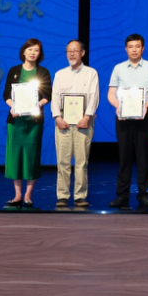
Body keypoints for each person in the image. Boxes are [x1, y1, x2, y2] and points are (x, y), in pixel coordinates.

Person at [107, 33, 148, 210]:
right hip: (123, 117)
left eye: (137, 46)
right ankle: (122, 195)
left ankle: (143, 194)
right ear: (126, 49)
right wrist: (118, 106)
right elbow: (111, 93)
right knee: (124, 157)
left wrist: (146, 105)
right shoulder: (118, 68)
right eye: (130, 47)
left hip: (144, 116)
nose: (134, 50)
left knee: (143, 157)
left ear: (143, 48)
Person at [53, 39, 100, 210]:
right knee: (63, 162)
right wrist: (58, 117)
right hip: (63, 123)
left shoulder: (91, 73)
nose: (72, 54)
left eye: (75, 50)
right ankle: (62, 196)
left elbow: (94, 96)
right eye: (69, 51)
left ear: (83, 53)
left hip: (83, 123)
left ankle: (80, 196)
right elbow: (55, 97)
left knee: (81, 162)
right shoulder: (60, 74)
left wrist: (87, 116)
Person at [4, 39, 51, 209]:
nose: (32, 53)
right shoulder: (14, 71)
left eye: (36, 50)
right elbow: (6, 95)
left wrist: (38, 104)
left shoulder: (43, 72)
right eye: (30, 49)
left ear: (40, 54)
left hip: (34, 122)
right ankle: (17, 195)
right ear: (23, 51)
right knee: (15, 157)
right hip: (16, 121)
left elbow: (48, 95)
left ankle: (28, 195)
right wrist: (13, 106)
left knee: (32, 157)